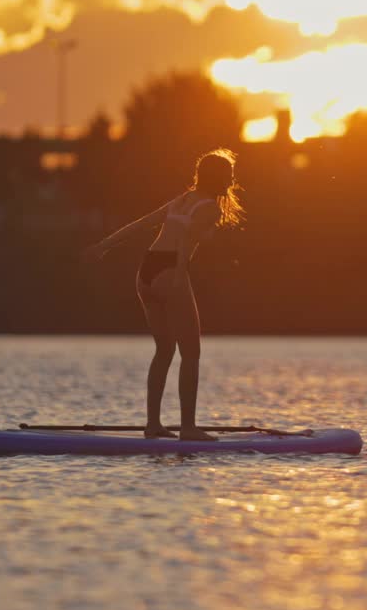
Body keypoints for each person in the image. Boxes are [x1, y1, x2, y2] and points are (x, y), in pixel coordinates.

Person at [82, 149, 245, 440]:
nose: (232, 180)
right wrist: (180, 277)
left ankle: (153, 425)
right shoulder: (209, 207)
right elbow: (186, 242)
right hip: (171, 270)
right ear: (217, 177)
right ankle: (188, 428)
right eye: (229, 175)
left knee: (165, 350)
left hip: (146, 270)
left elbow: (142, 224)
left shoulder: (182, 200)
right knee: (192, 353)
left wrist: (104, 245)